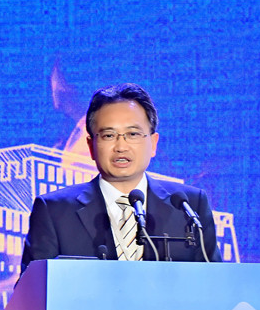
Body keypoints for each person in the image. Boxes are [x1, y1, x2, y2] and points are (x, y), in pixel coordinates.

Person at [20, 83, 222, 272]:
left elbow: (214, 285)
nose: (121, 146)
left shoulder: (188, 206)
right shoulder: (54, 211)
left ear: (153, 143)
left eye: (133, 134)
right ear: (91, 146)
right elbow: (31, 292)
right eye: (109, 135)